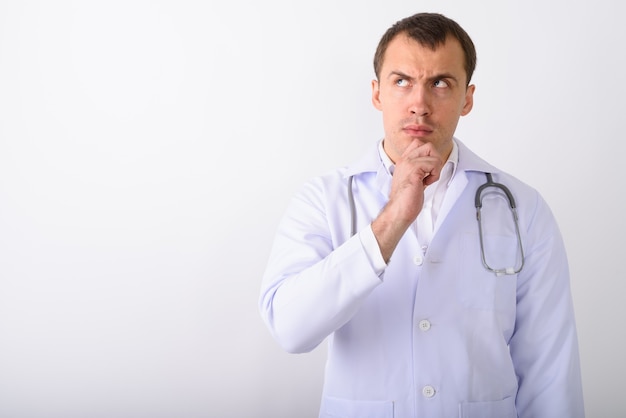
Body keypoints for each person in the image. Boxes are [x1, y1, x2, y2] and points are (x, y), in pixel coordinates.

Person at [259, 12, 584, 418]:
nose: (419, 104)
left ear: (467, 97)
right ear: (377, 93)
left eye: (441, 84)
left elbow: (549, 370)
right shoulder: (323, 199)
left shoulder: (523, 208)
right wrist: (393, 219)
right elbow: (290, 329)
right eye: (402, 82)